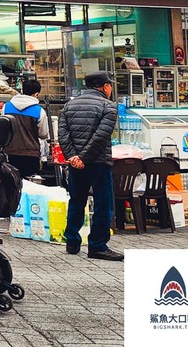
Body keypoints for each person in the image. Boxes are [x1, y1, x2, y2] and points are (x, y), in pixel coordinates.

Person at [59, 71, 122, 261]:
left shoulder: (68, 106)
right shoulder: (108, 106)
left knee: (77, 200)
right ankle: (97, 246)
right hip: (98, 163)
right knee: (103, 204)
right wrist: (84, 158)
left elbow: (63, 135)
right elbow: (101, 136)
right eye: (110, 85)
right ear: (104, 87)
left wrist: (73, 157)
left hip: (76, 165)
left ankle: (72, 241)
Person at [2, 78, 49, 179]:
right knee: (29, 185)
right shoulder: (39, 111)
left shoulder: (6, 107)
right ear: (36, 94)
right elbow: (43, 134)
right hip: (31, 154)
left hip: (11, 153)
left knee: (12, 183)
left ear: (22, 91)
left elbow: (3, 129)